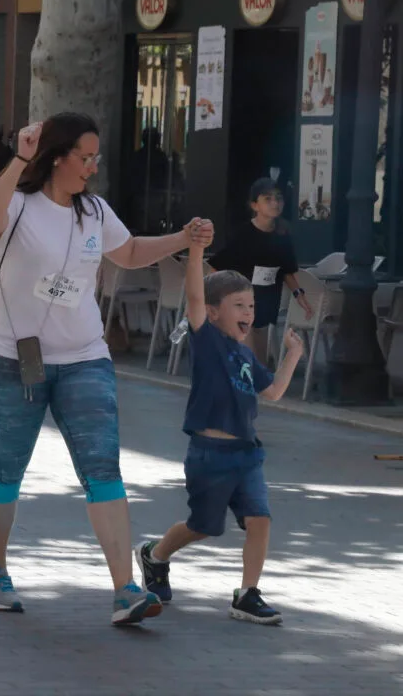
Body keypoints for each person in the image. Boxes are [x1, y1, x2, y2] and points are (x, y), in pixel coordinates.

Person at [0, 113, 210, 626]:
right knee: (6, 470)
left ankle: (125, 588)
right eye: (85, 157)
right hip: (12, 357)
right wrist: (19, 155)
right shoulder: (19, 205)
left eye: (95, 157)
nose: (92, 166)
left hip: (84, 357)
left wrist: (183, 238)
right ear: (58, 158)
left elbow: (127, 253)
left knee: (103, 469)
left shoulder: (94, 212)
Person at [136, 239, 304, 626]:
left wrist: (293, 355)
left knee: (260, 518)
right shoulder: (208, 341)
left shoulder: (247, 355)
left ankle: (247, 595)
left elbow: (274, 391)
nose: (249, 312)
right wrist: (196, 251)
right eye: (239, 306)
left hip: (247, 454)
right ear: (212, 314)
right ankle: (155, 554)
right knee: (202, 528)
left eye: (251, 305)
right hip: (209, 455)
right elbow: (195, 294)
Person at [209, 179, 313, 365]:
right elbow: (217, 265)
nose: (275, 203)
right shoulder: (243, 234)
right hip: (241, 305)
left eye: (278, 198)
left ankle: (247, 388)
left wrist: (299, 295)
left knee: (260, 362)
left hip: (266, 303)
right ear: (254, 205)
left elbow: (287, 270)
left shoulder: (283, 233)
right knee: (249, 359)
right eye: (268, 199)